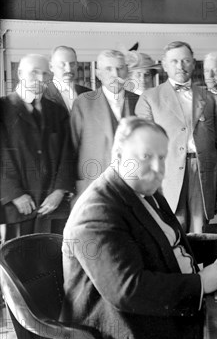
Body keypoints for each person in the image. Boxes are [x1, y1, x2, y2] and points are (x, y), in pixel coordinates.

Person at [52, 117, 217, 339]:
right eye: (147, 156)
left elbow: (167, 244)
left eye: (162, 157)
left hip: (155, 328)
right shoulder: (97, 212)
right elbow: (128, 289)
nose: (159, 168)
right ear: (120, 155)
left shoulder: (140, 189)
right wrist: (200, 285)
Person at [136, 41, 217, 234]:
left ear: (193, 63)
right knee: (171, 232)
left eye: (186, 60)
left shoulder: (211, 99)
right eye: (174, 61)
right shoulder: (150, 98)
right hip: (165, 176)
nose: (180, 66)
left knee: (201, 234)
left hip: (202, 175)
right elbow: (142, 150)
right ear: (164, 65)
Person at [0, 54, 74, 239]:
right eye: (34, 73)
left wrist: (59, 191)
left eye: (45, 74)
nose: (40, 79)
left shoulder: (57, 111)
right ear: (19, 73)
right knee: (16, 262)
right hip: (16, 208)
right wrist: (15, 194)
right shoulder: (3, 108)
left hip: (53, 207)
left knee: (53, 261)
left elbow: (68, 154)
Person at [71, 50, 139, 198]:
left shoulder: (140, 101)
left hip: (132, 188)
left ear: (126, 71)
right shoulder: (83, 102)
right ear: (98, 73)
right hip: (93, 187)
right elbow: (72, 148)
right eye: (108, 69)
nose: (115, 74)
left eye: (120, 68)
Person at [44, 46, 90, 112]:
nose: (68, 69)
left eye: (72, 64)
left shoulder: (88, 93)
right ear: (51, 67)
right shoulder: (43, 95)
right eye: (62, 64)